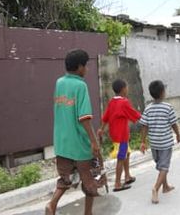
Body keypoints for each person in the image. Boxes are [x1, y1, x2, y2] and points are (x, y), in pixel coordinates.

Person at [46, 49, 100, 215]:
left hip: (62, 143)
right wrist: (93, 141)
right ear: (79, 67)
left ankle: (52, 204)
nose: (87, 69)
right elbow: (84, 118)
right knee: (89, 178)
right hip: (79, 145)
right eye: (86, 66)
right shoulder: (80, 85)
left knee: (65, 179)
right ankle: (88, 213)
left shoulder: (59, 83)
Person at [139, 80, 180, 204]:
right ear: (163, 92)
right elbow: (173, 123)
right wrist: (178, 135)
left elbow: (144, 126)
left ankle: (165, 186)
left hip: (154, 144)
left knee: (161, 165)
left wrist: (142, 142)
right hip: (165, 143)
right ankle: (155, 188)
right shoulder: (168, 107)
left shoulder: (148, 108)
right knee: (164, 167)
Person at [98, 79, 141, 192]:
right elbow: (134, 114)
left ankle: (127, 176)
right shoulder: (124, 102)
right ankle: (117, 183)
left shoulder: (112, 101)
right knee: (121, 158)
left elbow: (105, 117)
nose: (128, 89)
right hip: (121, 135)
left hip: (116, 134)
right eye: (127, 87)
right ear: (123, 89)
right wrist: (147, 118)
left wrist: (101, 129)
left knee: (127, 153)